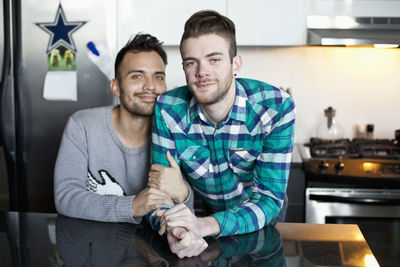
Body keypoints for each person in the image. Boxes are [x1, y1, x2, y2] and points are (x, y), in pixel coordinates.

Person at [151, 10, 295, 257]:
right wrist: (174, 228)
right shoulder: (167, 109)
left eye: (214, 59)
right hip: (204, 222)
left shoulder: (276, 107)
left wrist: (202, 225)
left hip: (260, 225)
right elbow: (160, 192)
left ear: (235, 63)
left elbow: (269, 199)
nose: (201, 72)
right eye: (191, 62)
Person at [54, 33, 192, 224]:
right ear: (116, 87)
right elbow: (66, 197)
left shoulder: (175, 132)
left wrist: (184, 194)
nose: (151, 86)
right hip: (94, 247)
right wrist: (132, 206)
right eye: (137, 76)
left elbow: (185, 212)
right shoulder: (82, 125)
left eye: (158, 77)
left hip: (151, 249)